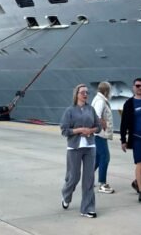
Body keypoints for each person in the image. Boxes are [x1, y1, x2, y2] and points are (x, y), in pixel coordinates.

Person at [60, 84, 100, 218]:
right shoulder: (69, 111)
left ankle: (87, 208)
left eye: (87, 92)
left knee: (89, 178)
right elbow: (64, 130)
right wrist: (79, 130)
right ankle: (66, 195)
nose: (85, 94)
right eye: (82, 92)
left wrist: (91, 130)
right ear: (76, 94)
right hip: (74, 147)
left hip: (90, 146)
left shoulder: (91, 109)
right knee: (74, 177)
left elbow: (98, 127)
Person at [91, 81, 115, 194]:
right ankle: (102, 184)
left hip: (97, 134)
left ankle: (88, 179)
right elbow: (96, 115)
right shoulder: (101, 101)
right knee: (105, 157)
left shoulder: (97, 99)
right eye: (109, 91)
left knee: (97, 158)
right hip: (100, 134)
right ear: (106, 91)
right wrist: (102, 123)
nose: (110, 93)